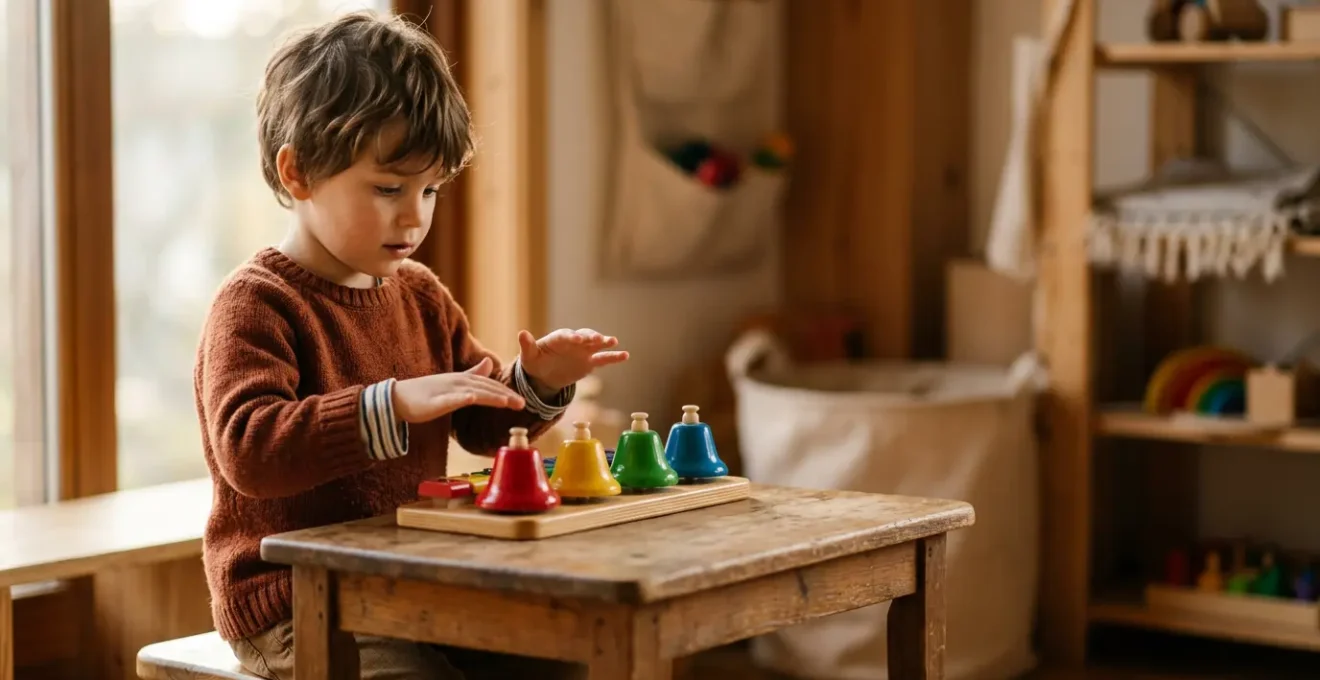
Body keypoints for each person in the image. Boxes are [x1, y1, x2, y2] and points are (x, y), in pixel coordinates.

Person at [193, 10, 625, 679]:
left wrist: (536, 383)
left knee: (558, 659)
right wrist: (390, 405)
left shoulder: (418, 293)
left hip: (410, 578)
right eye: (389, 188)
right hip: (296, 599)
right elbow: (251, 451)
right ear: (299, 172)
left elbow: (484, 423)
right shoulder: (255, 303)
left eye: (430, 189)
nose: (414, 215)